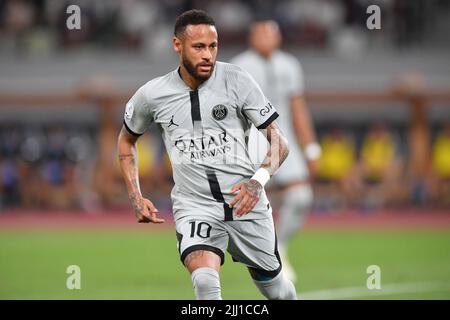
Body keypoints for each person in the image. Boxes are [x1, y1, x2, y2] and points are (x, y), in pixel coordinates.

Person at [117, 10, 296, 300]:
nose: (207, 55)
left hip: (245, 203)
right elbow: (126, 141)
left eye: (213, 46)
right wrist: (135, 197)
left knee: (278, 291)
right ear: (177, 45)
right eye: (198, 47)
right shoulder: (153, 94)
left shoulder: (237, 80)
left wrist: (257, 181)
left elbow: (280, 142)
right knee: (204, 282)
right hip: (195, 206)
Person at [231, 20, 320, 283]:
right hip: (251, 141)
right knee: (248, 201)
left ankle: (279, 247)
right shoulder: (238, 65)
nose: (265, 38)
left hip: (284, 139)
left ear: (279, 37)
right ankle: (257, 254)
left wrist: (312, 147)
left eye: (271, 33)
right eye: (260, 33)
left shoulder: (290, 65)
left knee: (301, 196)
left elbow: (297, 108)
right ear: (251, 36)